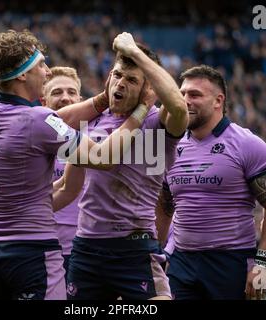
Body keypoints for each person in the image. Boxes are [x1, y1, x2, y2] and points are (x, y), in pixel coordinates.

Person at [0, 29, 153, 300]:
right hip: (30, 254)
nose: (46, 71)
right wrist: (141, 112)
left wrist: (101, 100)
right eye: (41, 65)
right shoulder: (37, 120)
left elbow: (53, 121)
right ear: (22, 75)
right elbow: (103, 158)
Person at [66, 32, 188, 300]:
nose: (121, 84)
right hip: (87, 246)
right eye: (118, 75)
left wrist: (134, 52)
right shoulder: (93, 117)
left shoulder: (159, 124)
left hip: (134, 247)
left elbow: (179, 106)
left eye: (132, 80)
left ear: (148, 89)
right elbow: (51, 121)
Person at [158, 65, 266, 300]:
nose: (185, 100)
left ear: (218, 101)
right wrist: (156, 254)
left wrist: (263, 264)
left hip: (230, 262)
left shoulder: (247, 144)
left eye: (195, 95)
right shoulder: (169, 145)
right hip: (181, 261)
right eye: (182, 94)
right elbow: (164, 203)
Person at [41, 66, 83, 278]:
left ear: (81, 99)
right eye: (57, 92)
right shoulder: (32, 145)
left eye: (71, 92)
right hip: (44, 251)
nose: (65, 98)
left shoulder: (100, 140)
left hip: (89, 253)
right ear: (43, 101)